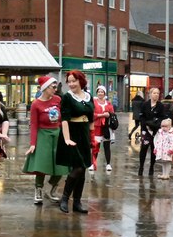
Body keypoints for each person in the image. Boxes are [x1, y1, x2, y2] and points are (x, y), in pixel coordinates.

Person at [23, 76, 68, 204]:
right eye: (53, 87)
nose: (55, 89)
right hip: (43, 135)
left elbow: (62, 119)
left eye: (55, 87)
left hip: (57, 133)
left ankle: (52, 187)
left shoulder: (58, 99)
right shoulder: (36, 104)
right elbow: (34, 125)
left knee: (62, 164)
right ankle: (38, 190)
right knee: (41, 165)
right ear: (45, 88)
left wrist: (66, 136)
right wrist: (33, 144)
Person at [55, 70, 94, 213]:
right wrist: (66, 139)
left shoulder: (89, 96)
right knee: (77, 168)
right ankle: (65, 198)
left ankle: (77, 202)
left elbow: (91, 119)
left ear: (81, 81)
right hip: (72, 133)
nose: (71, 84)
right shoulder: (67, 97)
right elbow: (64, 120)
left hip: (84, 133)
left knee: (83, 169)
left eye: (74, 81)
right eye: (69, 81)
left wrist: (91, 137)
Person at [138, 87, 165, 177]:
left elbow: (162, 117)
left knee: (154, 150)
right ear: (150, 94)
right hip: (146, 130)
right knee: (144, 149)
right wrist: (145, 124)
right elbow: (141, 116)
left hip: (155, 131)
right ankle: (141, 167)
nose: (156, 95)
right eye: (154, 93)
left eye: (158, 93)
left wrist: (156, 123)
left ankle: (151, 167)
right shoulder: (145, 105)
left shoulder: (160, 106)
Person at [90, 85, 114, 172]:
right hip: (97, 127)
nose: (100, 93)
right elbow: (91, 115)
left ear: (104, 93)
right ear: (97, 93)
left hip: (106, 127)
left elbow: (112, 114)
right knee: (96, 146)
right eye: (99, 92)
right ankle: (93, 164)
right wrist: (101, 115)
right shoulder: (93, 102)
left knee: (107, 146)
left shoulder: (108, 103)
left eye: (102, 92)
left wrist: (110, 115)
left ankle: (108, 164)